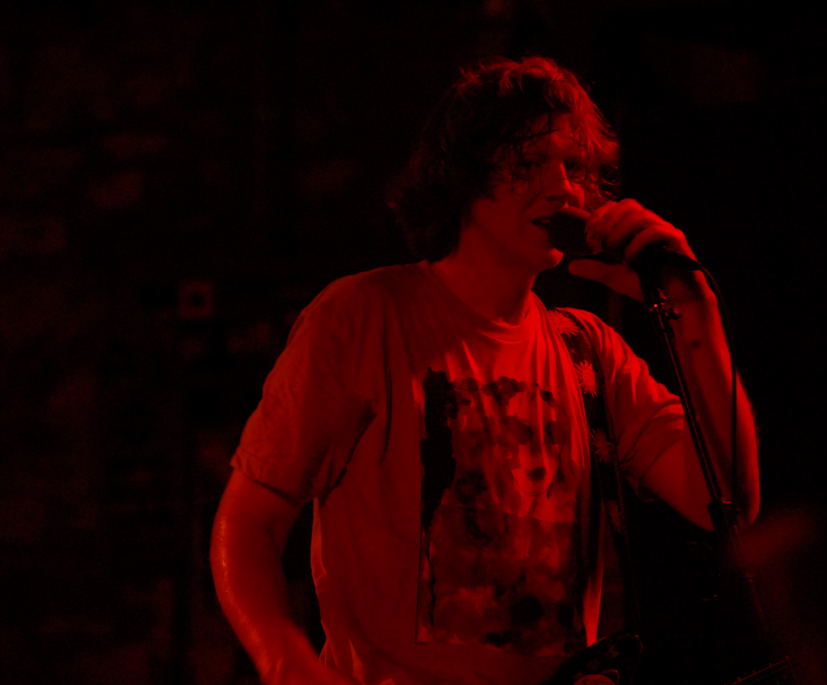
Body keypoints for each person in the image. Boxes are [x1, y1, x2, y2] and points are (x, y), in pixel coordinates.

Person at [210, 56, 759, 685]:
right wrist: (286, 663)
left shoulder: (587, 349)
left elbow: (725, 503)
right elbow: (250, 520)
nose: (564, 190)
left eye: (575, 168)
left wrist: (695, 312)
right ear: (465, 172)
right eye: (530, 162)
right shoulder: (365, 317)